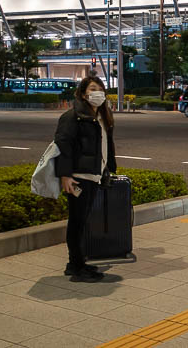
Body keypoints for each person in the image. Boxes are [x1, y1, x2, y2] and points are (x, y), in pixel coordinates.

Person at [54, 75, 116, 282]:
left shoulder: (101, 116)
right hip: (79, 177)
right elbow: (63, 147)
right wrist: (65, 176)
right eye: (91, 88)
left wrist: (108, 169)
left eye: (100, 88)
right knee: (77, 223)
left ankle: (76, 264)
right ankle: (76, 266)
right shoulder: (73, 117)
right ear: (82, 93)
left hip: (94, 175)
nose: (97, 92)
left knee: (83, 222)